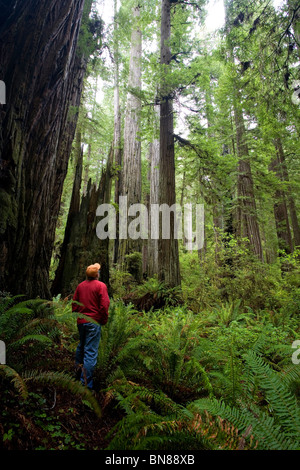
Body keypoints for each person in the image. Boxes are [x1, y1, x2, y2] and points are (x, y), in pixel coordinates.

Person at [72, 262, 110, 390]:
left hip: (81, 322)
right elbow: (104, 305)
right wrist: (103, 320)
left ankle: (76, 373)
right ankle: (86, 384)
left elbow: (74, 304)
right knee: (90, 352)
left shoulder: (80, 286)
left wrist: (77, 316)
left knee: (81, 346)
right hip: (93, 323)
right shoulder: (101, 286)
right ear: (97, 275)